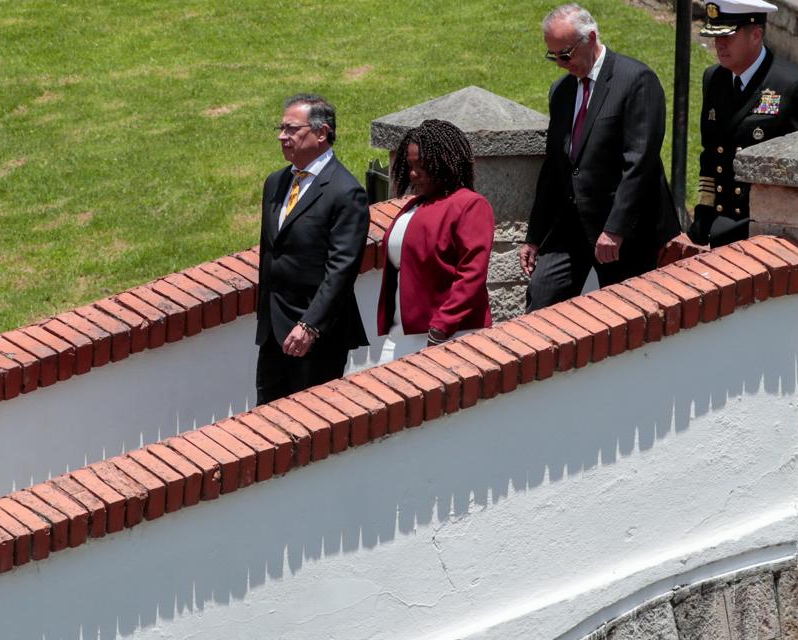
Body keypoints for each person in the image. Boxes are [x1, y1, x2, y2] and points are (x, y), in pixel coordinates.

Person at [521, 4, 680, 312]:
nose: (560, 64)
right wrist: (534, 236)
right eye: (552, 56)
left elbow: (640, 161)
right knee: (540, 303)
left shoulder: (636, 80)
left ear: (590, 37)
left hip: (624, 232)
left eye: (565, 54)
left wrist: (616, 228)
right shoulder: (562, 91)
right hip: (571, 226)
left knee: (627, 319)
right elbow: (555, 166)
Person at [255, 94, 370, 405]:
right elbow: (271, 251)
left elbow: (342, 269)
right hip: (274, 331)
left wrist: (310, 325)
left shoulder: (345, 192)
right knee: (266, 422)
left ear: (322, 133)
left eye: (292, 129)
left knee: (309, 426)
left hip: (317, 337)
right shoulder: (276, 183)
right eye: (281, 128)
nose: (282, 136)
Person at [688, 0, 798, 247]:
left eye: (728, 36)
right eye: (714, 36)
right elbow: (711, 156)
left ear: (756, 35)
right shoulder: (715, 78)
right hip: (722, 224)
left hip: (769, 228)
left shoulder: (793, 86)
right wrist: (703, 216)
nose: (718, 44)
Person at [376, 120, 494, 361]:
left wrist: (442, 327)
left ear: (444, 161)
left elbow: (472, 273)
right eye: (409, 165)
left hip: (450, 335)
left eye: (422, 165)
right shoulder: (413, 206)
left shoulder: (470, 204)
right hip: (400, 335)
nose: (412, 173)